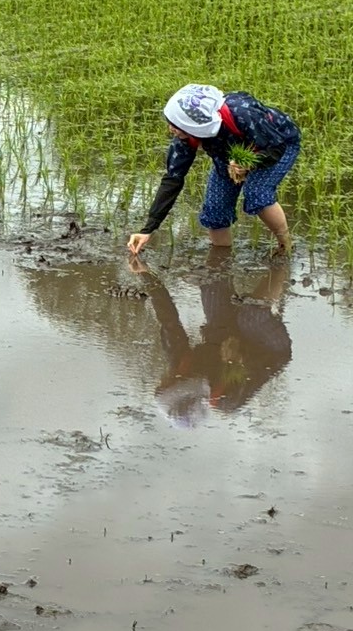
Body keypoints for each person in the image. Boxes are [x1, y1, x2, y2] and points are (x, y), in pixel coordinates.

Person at [127, 83, 300, 256]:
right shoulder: (186, 136)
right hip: (228, 153)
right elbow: (173, 179)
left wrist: (249, 165)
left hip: (277, 145)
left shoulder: (242, 113)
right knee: (215, 208)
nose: (171, 129)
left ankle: (285, 247)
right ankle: (221, 260)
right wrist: (148, 229)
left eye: (175, 125)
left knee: (257, 192)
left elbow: (276, 148)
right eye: (170, 123)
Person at [135, 250, 292, 424]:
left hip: (223, 335)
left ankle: (221, 245)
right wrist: (241, 354)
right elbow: (264, 368)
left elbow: (168, 318)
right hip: (268, 349)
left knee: (211, 284)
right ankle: (281, 262)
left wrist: (146, 274)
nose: (163, 377)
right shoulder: (227, 397)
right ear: (184, 387)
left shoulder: (179, 361)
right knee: (250, 316)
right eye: (167, 382)